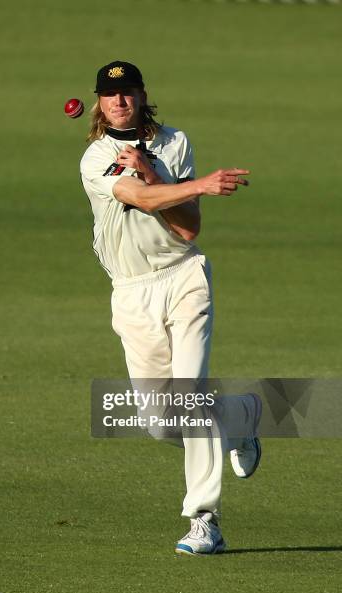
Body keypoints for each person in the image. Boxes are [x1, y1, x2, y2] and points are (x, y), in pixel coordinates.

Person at [80, 60, 262, 555]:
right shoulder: (95, 157)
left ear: (142, 96)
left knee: (190, 397)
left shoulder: (174, 144)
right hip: (132, 291)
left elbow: (186, 229)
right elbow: (137, 197)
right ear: (99, 103)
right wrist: (197, 184)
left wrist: (160, 168)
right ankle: (244, 417)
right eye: (111, 94)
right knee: (161, 422)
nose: (121, 101)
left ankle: (205, 520)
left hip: (183, 279)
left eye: (129, 92)